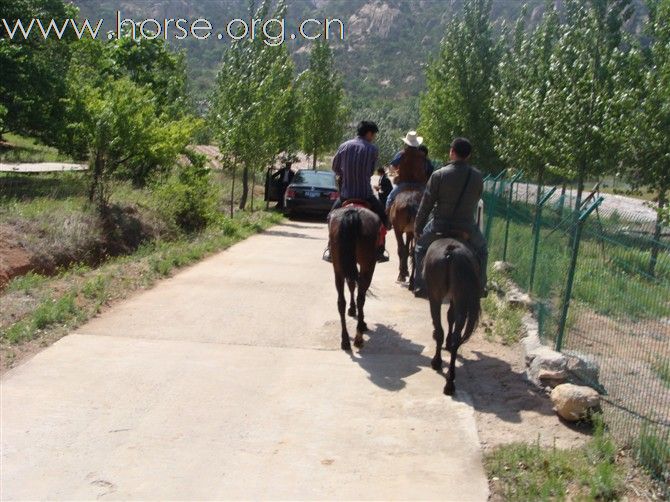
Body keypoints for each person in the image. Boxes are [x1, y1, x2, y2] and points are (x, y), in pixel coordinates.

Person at [413, 137, 488, 298]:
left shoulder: (439, 175)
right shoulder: (477, 176)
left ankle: (420, 284)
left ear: (452, 152)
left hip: (440, 225)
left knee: (420, 248)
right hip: (467, 226)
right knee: (482, 250)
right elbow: (476, 198)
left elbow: (426, 205)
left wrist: (418, 227)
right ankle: (481, 286)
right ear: (468, 156)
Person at [326, 120, 390, 262]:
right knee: (383, 219)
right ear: (368, 133)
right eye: (373, 135)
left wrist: (344, 175)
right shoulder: (373, 149)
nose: (373, 138)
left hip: (346, 195)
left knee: (330, 217)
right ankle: (380, 250)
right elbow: (370, 171)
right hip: (365, 195)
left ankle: (330, 248)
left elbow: (335, 167)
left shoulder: (344, 146)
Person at [385, 131, 429, 211]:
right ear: (416, 143)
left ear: (406, 143)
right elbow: (426, 169)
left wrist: (397, 171)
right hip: (419, 185)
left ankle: (388, 220)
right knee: (429, 202)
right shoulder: (422, 156)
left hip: (403, 183)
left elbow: (392, 167)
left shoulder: (402, 154)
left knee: (389, 199)